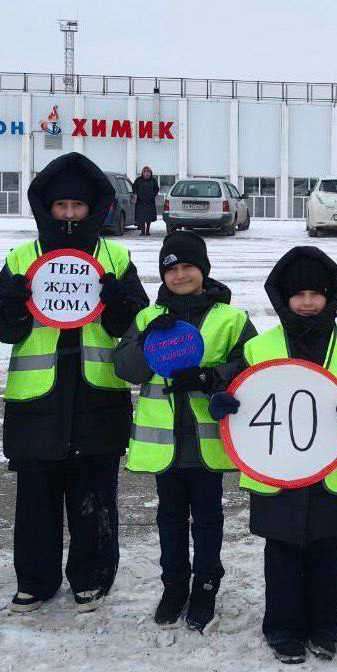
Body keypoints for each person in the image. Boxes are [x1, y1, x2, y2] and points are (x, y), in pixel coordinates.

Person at [0, 152, 149, 614]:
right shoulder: (22, 257)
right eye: (61, 206)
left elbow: (137, 324)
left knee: (94, 494)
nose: (70, 215)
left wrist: (120, 305)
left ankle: (93, 576)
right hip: (38, 398)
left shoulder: (115, 257)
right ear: (47, 208)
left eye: (78, 206)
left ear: (94, 208)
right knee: (36, 496)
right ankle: (35, 579)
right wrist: (12, 306)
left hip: (97, 394)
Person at [210, 246, 337, 664]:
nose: (307, 302)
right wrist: (222, 401)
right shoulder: (259, 347)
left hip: (333, 473)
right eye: (299, 294)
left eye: (315, 294)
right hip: (275, 470)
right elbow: (232, 387)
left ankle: (325, 627)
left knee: (327, 554)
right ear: (283, 297)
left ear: (330, 296)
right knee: (280, 554)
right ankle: (282, 628)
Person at [112, 230, 254, 631]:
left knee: (208, 518)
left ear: (203, 270)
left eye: (188, 267)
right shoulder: (147, 318)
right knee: (170, 518)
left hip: (207, 442)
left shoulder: (231, 318)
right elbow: (126, 368)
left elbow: (252, 364)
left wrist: (211, 376)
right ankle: (173, 585)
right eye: (171, 269)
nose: (180, 275)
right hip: (165, 444)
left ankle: (206, 585)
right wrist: (147, 339)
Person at [132, 166, 160, 237]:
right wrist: (136, 194)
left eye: (148, 172)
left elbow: (156, 189)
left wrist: (153, 195)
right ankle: (142, 231)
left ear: (150, 173)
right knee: (141, 217)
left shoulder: (153, 180)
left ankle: (147, 231)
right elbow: (134, 187)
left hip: (150, 202)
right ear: (142, 173)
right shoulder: (138, 180)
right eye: (145, 171)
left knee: (149, 217)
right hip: (140, 202)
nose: (146, 173)